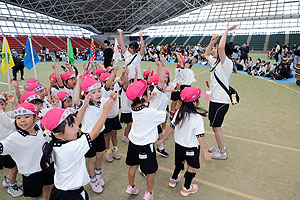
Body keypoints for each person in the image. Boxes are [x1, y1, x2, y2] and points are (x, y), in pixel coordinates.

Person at [40, 95, 115, 200]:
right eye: (72, 126)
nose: (77, 127)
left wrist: (84, 105)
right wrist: (105, 112)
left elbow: (76, 122)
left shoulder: (54, 143)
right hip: (72, 195)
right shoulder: (71, 148)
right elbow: (94, 133)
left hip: (58, 192)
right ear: (59, 135)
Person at [157, 87, 211, 197]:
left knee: (179, 162)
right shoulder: (197, 118)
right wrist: (205, 152)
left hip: (179, 145)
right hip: (191, 148)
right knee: (190, 167)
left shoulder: (178, 113)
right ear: (194, 102)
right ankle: (186, 188)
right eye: (198, 98)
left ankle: (173, 179)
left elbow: (171, 127)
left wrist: (163, 139)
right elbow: (200, 137)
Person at [0, 103, 54, 200]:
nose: (22, 120)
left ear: (35, 117)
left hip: (47, 167)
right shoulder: (14, 138)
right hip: (31, 173)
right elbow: (2, 146)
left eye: (27, 116)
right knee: (35, 196)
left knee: (49, 187)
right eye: (18, 118)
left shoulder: (42, 129)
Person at [125, 80, 167, 200]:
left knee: (132, 166)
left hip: (133, 143)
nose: (150, 92)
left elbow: (143, 105)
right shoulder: (151, 113)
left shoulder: (133, 107)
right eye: (148, 91)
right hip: (146, 146)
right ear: (143, 97)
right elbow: (164, 116)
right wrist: (166, 112)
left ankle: (131, 186)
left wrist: (150, 98)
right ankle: (149, 193)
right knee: (150, 171)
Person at [204, 25, 238, 160]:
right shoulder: (215, 62)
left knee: (216, 126)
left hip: (221, 101)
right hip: (215, 99)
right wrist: (212, 42)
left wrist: (226, 31)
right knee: (214, 125)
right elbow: (206, 54)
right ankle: (220, 147)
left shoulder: (226, 63)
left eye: (215, 48)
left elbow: (222, 48)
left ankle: (222, 152)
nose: (213, 49)